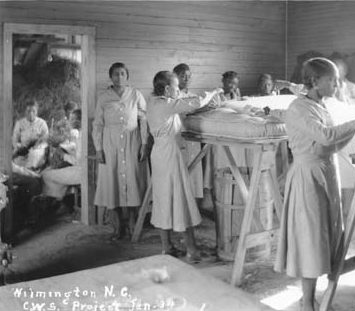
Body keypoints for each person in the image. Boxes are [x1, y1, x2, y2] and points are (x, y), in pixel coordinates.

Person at [274, 57, 355, 311]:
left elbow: (332, 145)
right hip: (307, 176)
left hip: (327, 172)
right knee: (310, 238)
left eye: (336, 79)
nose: (336, 83)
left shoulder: (322, 106)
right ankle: (307, 301)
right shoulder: (298, 108)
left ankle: (314, 296)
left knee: (326, 237)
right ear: (314, 81)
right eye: (331, 79)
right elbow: (324, 135)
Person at [147, 70, 221, 262]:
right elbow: (195, 102)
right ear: (166, 89)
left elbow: (183, 106)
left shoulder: (154, 101)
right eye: (176, 88)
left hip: (159, 154)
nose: (178, 91)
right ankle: (192, 250)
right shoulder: (165, 105)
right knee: (181, 199)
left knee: (163, 199)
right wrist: (214, 92)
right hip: (169, 155)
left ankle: (167, 247)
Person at [92, 62, 149, 240]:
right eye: (115, 74)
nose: (119, 77)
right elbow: (97, 125)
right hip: (111, 143)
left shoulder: (135, 94)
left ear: (127, 76)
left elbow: (144, 120)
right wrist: (99, 149)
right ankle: (118, 227)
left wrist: (144, 144)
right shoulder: (104, 97)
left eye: (122, 73)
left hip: (132, 141)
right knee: (112, 184)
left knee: (132, 182)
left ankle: (133, 223)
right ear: (111, 77)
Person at [173, 63, 204, 203]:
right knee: (180, 173)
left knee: (194, 173)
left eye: (188, 76)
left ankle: (194, 211)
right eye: (182, 76)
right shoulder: (171, 96)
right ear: (175, 77)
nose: (186, 79)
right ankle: (180, 211)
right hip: (177, 138)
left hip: (193, 139)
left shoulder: (193, 96)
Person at [41, 109, 82, 211]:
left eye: (72, 119)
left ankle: (56, 202)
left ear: (79, 121)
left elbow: (79, 161)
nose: (69, 121)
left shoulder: (82, 137)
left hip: (80, 172)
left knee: (46, 175)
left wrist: (64, 155)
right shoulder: (81, 133)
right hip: (80, 168)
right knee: (49, 170)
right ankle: (59, 201)